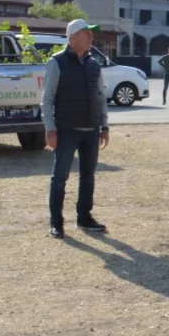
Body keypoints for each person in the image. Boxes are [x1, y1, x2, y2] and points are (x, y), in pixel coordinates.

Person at [42, 19, 110, 239]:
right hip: (66, 129)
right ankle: (56, 222)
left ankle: (84, 217)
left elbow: (100, 96)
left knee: (88, 177)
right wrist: (50, 129)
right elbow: (47, 99)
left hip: (91, 130)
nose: (91, 37)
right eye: (86, 34)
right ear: (72, 37)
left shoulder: (94, 64)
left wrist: (104, 126)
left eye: (91, 34)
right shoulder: (56, 63)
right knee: (59, 177)